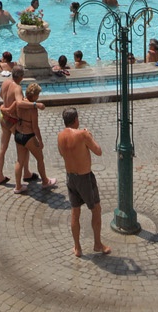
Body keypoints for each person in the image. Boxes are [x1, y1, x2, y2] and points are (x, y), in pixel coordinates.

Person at [57, 107, 111, 258]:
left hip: (70, 177)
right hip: (85, 177)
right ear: (76, 120)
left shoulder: (60, 136)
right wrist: (89, 136)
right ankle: (97, 244)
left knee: (75, 211)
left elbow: (62, 153)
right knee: (96, 209)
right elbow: (98, 151)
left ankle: (77, 248)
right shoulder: (82, 134)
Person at [7, 82, 56, 193]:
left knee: (19, 161)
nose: (38, 97)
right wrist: (40, 140)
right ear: (34, 96)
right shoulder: (33, 109)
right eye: (38, 95)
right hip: (28, 136)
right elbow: (35, 127)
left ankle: (18, 186)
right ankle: (45, 181)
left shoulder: (19, 103)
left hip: (18, 134)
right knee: (40, 158)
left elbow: (10, 112)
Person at [0, 66, 24, 186]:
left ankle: (0, 176)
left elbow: (1, 95)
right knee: (22, 149)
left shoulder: (5, 82)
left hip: (3, 119)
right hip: (13, 120)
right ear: (21, 77)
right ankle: (25, 174)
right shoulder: (17, 88)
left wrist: (5, 107)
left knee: (2, 148)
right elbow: (20, 103)